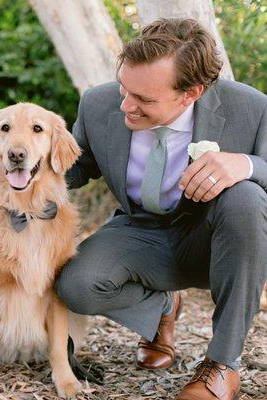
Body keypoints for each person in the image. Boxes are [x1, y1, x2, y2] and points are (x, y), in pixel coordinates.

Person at [56, 18, 266, 399]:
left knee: (247, 197)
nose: (126, 105)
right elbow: (75, 168)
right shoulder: (98, 103)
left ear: (191, 93)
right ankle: (163, 306)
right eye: (124, 88)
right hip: (139, 232)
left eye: (144, 100)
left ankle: (221, 364)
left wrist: (247, 165)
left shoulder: (251, 108)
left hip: (212, 238)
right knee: (76, 285)